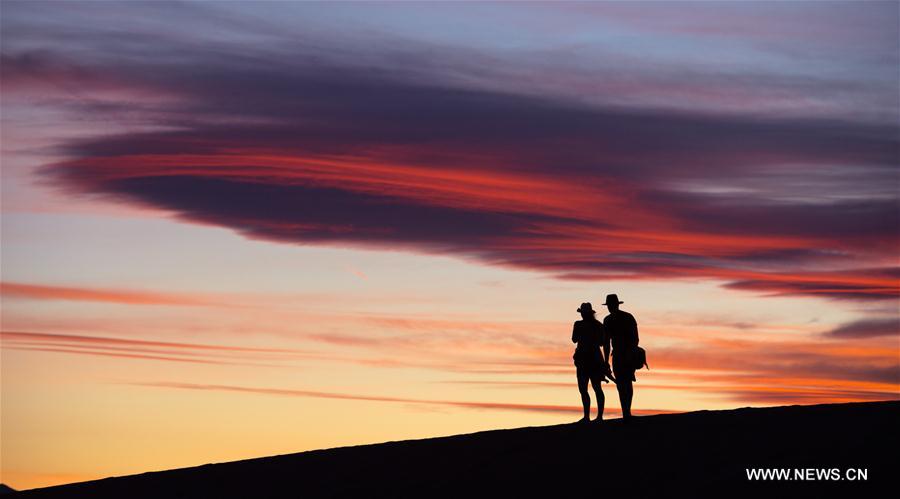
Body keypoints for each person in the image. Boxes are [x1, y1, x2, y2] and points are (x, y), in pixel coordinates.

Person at [601, 294, 639, 422]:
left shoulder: (609, 320)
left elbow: (607, 343)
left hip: (621, 354)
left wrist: (606, 361)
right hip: (622, 354)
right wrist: (606, 361)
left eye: (610, 305)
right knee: (625, 383)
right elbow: (635, 338)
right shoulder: (627, 317)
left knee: (623, 383)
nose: (610, 307)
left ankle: (626, 412)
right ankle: (626, 412)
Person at [571, 302, 611, 423]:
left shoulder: (579, 325)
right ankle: (594, 416)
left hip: (586, 360)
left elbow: (574, 339)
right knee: (592, 388)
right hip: (592, 359)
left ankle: (591, 416)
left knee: (588, 388)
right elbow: (602, 342)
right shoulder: (597, 325)